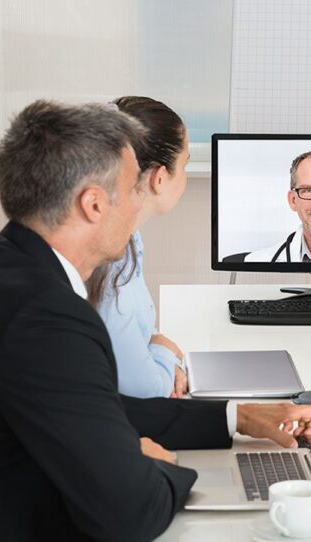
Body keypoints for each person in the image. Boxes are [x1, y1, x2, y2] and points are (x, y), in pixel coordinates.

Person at [0, 100, 311, 542]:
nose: (141, 200)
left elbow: (90, 407)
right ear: (93, 204)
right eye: (133, 187)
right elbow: (131, 514)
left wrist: (237, 418)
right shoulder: (43, 316)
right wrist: (155, 466)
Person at [86, 96, 190, 398]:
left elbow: (138, 334)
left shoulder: (128, 238)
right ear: (159, 178)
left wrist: (156, 344)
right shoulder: (108, 265)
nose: (183, 175)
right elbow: (146, 390)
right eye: (184, 165)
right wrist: (165, 354)